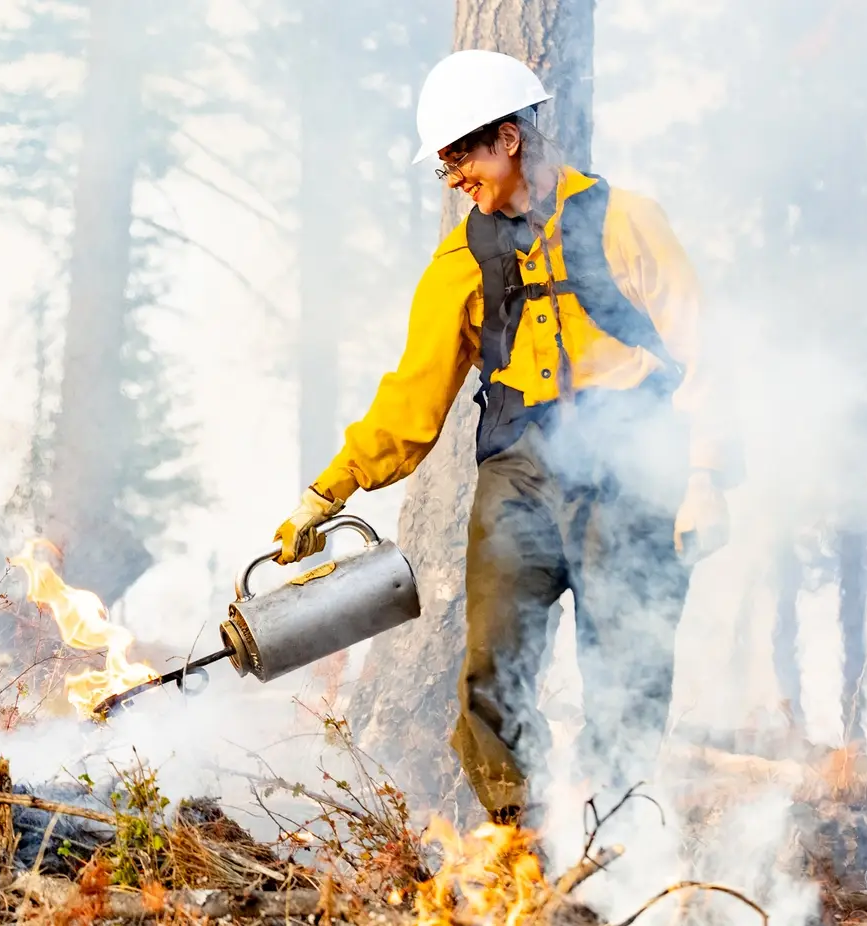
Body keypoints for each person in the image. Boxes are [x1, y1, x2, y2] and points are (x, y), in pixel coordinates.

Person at [270, 50, 736, 825]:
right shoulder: (460, 261)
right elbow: (412, 398)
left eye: (460, 159)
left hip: (635, 477)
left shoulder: (629, 222)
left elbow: (709, 355)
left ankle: (613, 837)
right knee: (491, 669)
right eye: (445, 168)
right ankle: (518, 836)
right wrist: (330, 489)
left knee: (629, 668)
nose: (454, 180)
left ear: (509, 138)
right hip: (519, 477)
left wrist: (706, 476)